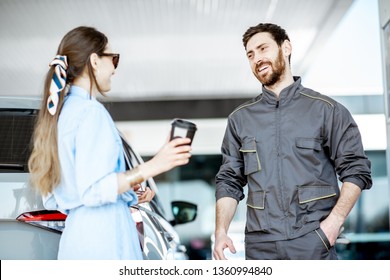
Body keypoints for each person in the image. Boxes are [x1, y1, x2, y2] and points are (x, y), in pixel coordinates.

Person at [28, 26, 192, 260]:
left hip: (77, 239)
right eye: (113, 59)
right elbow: (93, 190)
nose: (114, 69)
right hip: (104, 240)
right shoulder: (91, 112)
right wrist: (153, 166)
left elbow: (58, 195)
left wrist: (127, 190)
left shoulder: (62, 114)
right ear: (95, 61)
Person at [213, 23, 372, 260]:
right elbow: (229, 180)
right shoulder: (240, 119)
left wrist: (332, 225)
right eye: (250, 54)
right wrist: (221, 231)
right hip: (260, 246)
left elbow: (356, 171)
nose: (257, 58)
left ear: (285, 47)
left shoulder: (327, 110)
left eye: (263, 48)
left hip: (313, 239)